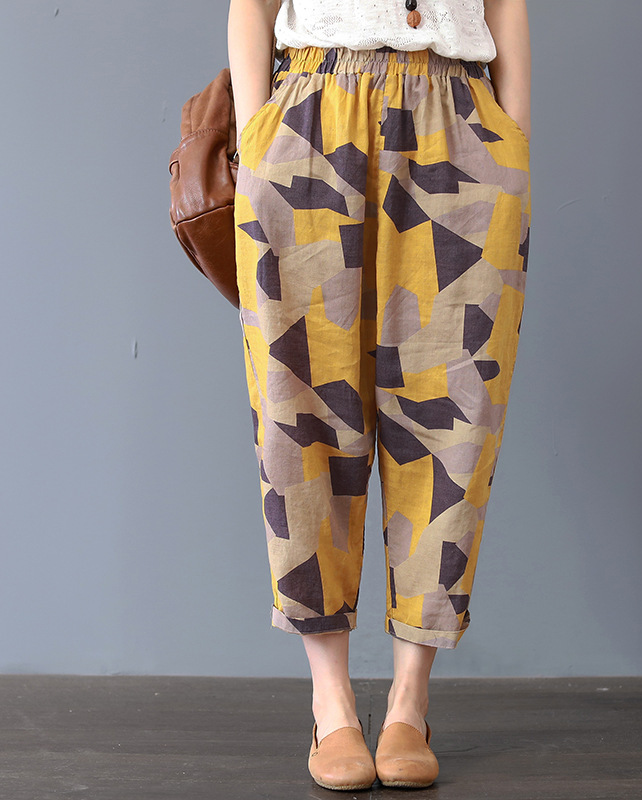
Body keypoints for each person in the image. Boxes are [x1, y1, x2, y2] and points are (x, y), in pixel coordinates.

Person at [227, 0, 531, 790]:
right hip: (310, 114)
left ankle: (408, 703)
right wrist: (255, 137)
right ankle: (331, 705)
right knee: (301, 410)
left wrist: (514, 138)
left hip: (458, 114)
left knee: (453, 409)